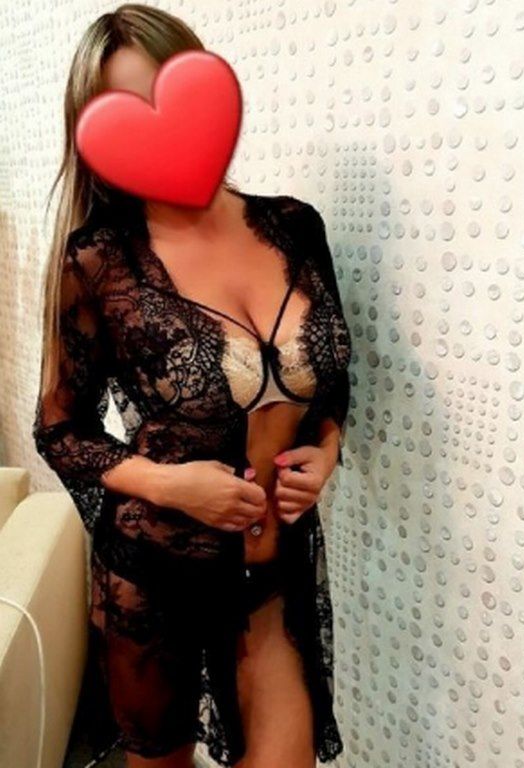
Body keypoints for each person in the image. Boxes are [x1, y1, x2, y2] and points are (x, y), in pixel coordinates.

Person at [32, 5, 352, 768]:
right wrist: (172, 486)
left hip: (272, 577)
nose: (155, 129)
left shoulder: (293, 227)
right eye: (123, 111)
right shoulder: (99, 262)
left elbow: (331, 380)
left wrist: (327, 451)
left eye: (163, 99)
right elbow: (59, 431)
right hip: (155, 577)